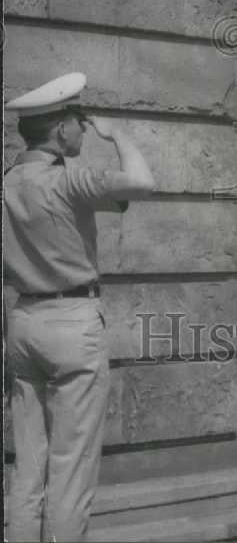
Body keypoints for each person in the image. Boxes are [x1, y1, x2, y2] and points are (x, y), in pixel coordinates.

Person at [3, 72, 155, 542]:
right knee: (72, 465)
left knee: (28, 464)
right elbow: (143, 183)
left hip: (23, 320)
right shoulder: (70, 180)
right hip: (73, 321)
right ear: (60, 128)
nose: (84, 130)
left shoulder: (8, 182)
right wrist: (121, 135)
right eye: (78, 120)